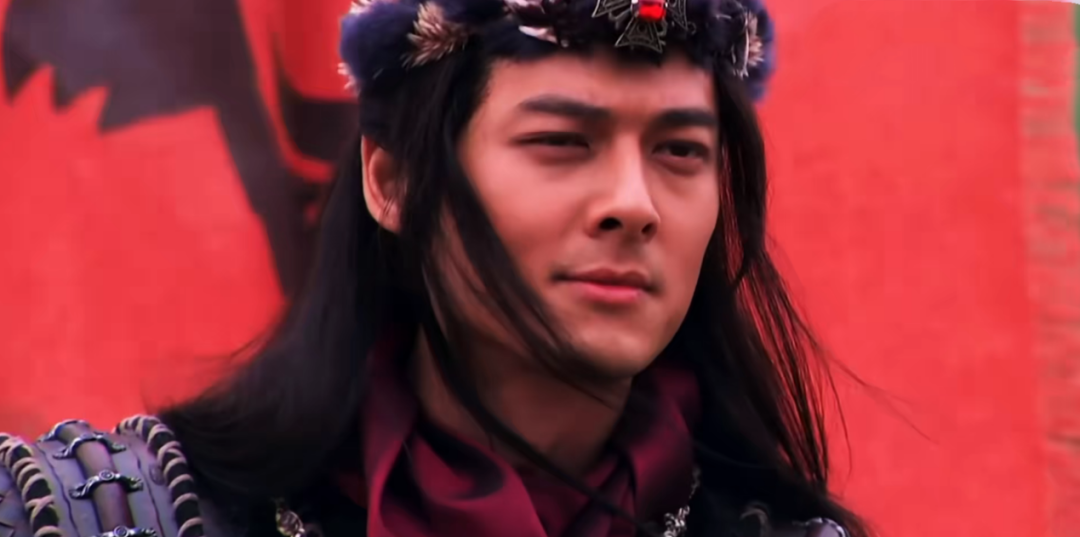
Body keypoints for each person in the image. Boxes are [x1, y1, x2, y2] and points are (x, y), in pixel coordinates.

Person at [0, 0, 868, 535]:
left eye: (680, 151)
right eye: (562, 142)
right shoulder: (101, 516)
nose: (633, 203)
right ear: (393, 181)